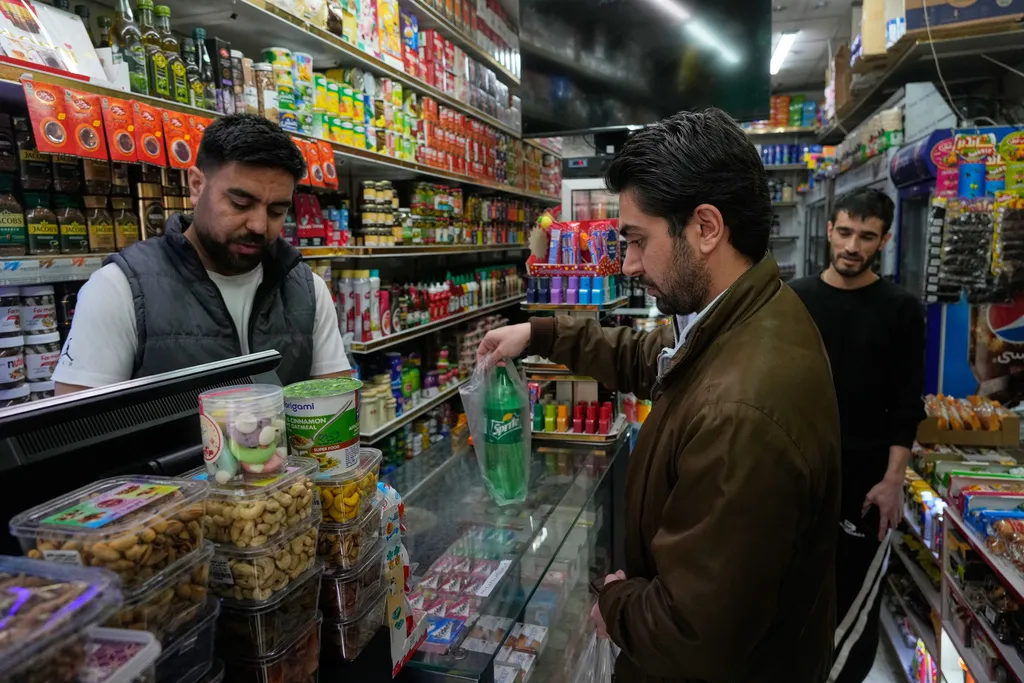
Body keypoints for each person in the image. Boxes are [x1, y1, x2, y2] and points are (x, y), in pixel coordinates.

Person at [477, 108, 841, 683]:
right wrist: (540, 333)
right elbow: (657, 363)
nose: (629, 264)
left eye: (638, 241)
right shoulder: (748, 316)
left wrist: (616, 604)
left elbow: (690, 635)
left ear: (705, 227)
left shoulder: (741, 412)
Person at [52, 114, 349, 393]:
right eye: (240, 203)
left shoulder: (307, 290)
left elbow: (336, 412)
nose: (259, 225)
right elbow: (74, 435)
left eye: (276, 210)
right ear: (196, 185)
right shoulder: (118, 289)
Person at [790, 188, 925, 683]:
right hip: (800, 478)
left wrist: (893, 481)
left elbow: (907, 405)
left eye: (866, 237)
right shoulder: (795, 300)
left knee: (854, 608)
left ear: (884, 240)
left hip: (867, 486)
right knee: (792, 597)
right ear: (829, 230)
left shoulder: (900, 310)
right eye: (845, 232)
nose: (852, 245)